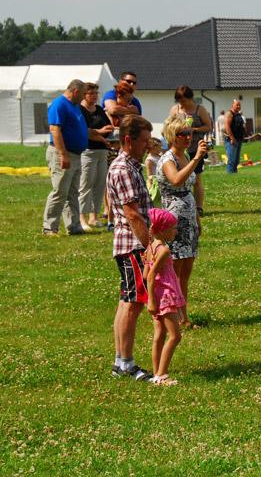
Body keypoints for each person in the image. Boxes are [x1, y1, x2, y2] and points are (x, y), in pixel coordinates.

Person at [107, 114, 154, 381]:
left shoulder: (130, 165)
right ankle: (125, 362)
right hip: (132, 244)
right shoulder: (123, 169)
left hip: (131, 243)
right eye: (144, 140)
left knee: (128, 301)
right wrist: (150, 247)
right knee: (133, 302)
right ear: (128, 140)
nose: (147, 145)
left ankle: (120, 361)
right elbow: (133, 215)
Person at [157, 116, 207, 329]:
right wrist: (196, 159)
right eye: (183, 134)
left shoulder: (185, 155)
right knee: (174, 273)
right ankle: (173, 317)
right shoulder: (168, 159)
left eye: (190, 134)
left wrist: (197, 216)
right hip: (174, 222)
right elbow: (176, 180)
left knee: (185, 272)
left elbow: (191, 187)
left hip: (188, 219)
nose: (188, 138)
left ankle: (183, 317)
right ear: (171, 136)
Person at [144, 208, 185, 386]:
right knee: (175, 336)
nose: (176, 231)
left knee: (159, 335)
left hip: (157, 294)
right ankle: (162, 375)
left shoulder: (149, 248)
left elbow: (145, 276)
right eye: (173, 228)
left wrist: (152, 296)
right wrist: (152, 301)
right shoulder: (164, 250)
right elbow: (151, 275)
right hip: (165, 297)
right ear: (162, 229)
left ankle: (156, 374)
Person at [42, 79, 88, 236]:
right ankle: (49, 227)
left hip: (76, 154)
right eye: (82, 94)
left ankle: (74, 226)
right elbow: (55, 130)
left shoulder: (75, 106)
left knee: (73, 192)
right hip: (62, 153)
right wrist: (63, 154)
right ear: (75, 91)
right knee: (60, 191)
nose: (83, 97)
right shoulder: (59, 104)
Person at [169, 86, 212, 216]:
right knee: (180, 179)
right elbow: (170, 126)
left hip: (195, 149)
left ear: (190, 98)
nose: (182, 104)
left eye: (184, 101)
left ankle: (199, 207)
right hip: (179, 150)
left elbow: (208, 126)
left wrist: (194, 130)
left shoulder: (200, 109)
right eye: (179, 101)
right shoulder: (175, 110)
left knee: (196, 179)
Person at [78, 82, 113, 231]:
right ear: (84, 95)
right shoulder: (80, 110)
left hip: (102, 151)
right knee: (86, 185)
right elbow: (85, 131)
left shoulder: (99, 109)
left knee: (99, 185)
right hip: (88, 151)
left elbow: (108, 126)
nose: (94, 96)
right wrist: (101, 133)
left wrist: (104, 132)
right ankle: (82, 218)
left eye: (96, 93)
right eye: (91, 93)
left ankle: (94, 217)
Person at [223, 99, 246, 174]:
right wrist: (232, 138)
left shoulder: (238, 114)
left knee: (236, 160)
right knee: (231, 160)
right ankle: (230, 175)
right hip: (231, 140)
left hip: (239, 139)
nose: (238, 106)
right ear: (232, 105)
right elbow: (227, 126)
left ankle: (234, 174)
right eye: (237, 105)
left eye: (239, 105)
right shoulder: (229, 113)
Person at [145, 137, 162, 206]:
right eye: (158, 147)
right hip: (155, 183)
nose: (160, 149)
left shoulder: (159, 156)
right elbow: (150, 175)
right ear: (152, 147)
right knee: (156, 200)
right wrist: (151, 186)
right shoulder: (149, 160)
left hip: (161, 180)